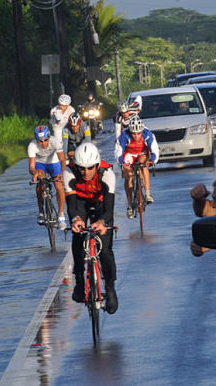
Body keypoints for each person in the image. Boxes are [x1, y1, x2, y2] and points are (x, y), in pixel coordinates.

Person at [63, 142, 118, 314]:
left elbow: (109, 208)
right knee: (78, 236)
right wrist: (76, 219)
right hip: (80, 202)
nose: (85, 172)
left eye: (90, 168)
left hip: (101, 203)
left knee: (105, 248)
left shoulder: (107, 173)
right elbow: (71, 206)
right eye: (82, 168)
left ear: (97, 165)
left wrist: (102, 222)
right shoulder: (69, 172)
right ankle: (80, 281)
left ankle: (110, 288)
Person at [115, 115, 159, 218]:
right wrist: (122, 163)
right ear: (130, 131)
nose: (136, 136)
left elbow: (154, 149)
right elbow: (118, 152)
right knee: (128, 176)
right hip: (128, 154)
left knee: (143, 166)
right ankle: (130, 205)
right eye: (133, 133)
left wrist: (152, 161)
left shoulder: (147, 134)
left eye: (138, 133)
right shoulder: (124, 135)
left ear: (142, 131)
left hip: (142, 153)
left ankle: (147, 194)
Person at [28, 125, 67, 230]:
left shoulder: (55, 141)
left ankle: (61, 214)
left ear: (49, 137)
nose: (43, 143)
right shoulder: (32, 145)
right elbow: (31, 167)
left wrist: (61, 174)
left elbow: (62, 160)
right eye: (40, 141)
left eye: (45, 140)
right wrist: (35, 173)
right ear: (36, 140)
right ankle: (41, 212)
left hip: (54, 162)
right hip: (40, 163)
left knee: (58, 185)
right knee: (40, 181)